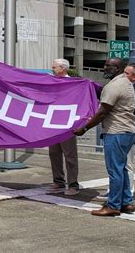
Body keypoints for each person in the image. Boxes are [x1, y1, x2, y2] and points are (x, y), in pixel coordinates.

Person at [74, 58, 135, 216]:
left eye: (109, 66)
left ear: (118, 68)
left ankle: (113, 205)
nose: (105, 67)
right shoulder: (125, 82)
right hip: (128, 131)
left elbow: (103, 112)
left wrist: (84, 128)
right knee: (122, 169)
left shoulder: (114, 85)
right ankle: (126, 202)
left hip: (116, 132)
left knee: (115, 170)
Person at [97, 62, 135, 201]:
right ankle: (122, 197)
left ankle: (121, 197)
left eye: (127, 73)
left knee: (122, 167)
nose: (124, 75)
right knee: (119, 167)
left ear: (134, 77)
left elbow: (118, 110)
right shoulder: (122, 86)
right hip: (120, 131)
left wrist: (85, 127)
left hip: (122, 132)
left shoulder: (134, 90)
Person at [48, 59, 79, 196]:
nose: (52, 69)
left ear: (63, 68)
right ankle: (58, 180)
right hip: (53, 122)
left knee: (70, 155)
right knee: (54, 153)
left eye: (54, 67)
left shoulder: (74, 84)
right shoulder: (51, 82)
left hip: (68, 123)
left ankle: (73, 184)